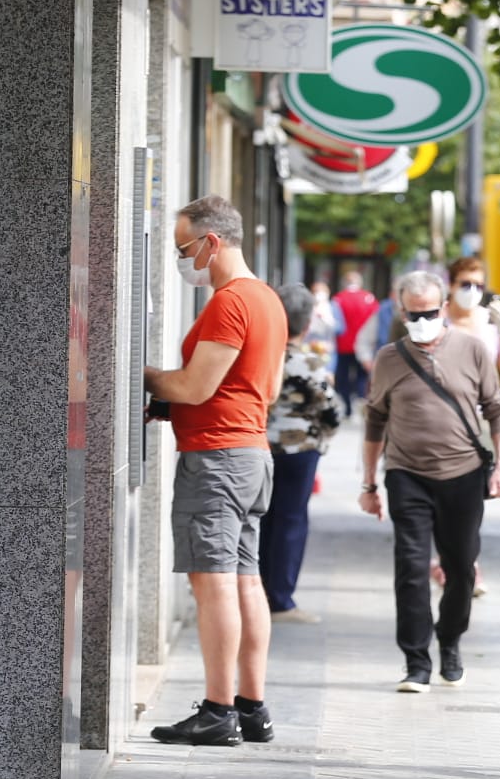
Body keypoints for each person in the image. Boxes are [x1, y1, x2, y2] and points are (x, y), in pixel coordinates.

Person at [143, 195, 289, 747]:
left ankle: (216, 711)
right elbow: (265, 388)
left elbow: (195, 386)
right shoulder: (268, 300)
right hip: (252, 454)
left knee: (214, 585)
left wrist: (145, 377)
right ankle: (252, 707)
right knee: (247, 580)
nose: (183, 259)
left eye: (183, 247)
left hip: (217, 459)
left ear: (212, 242)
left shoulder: (230, 302)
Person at [360, 271, 500, 691]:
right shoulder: (390, 357)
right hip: (406, 475)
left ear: (443, 308)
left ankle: (450, 640)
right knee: (409, 568)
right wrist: (369, 483)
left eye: (429, 311)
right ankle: (415, 660)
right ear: (401, 309)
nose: (422, 319)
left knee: (460, 568)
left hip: (463, 475)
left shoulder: (473, 350)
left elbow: (496, 408)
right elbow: (374, 418)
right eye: (413, 312)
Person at [262, 285, 343, 624]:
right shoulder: (310, 363)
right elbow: (331, 412)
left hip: (260, 446)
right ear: (306, 324)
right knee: (291, 520)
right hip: (300, 452)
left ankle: (256, 590)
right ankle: (280, 599)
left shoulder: (260, 356)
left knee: (261, 518)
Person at [443, 257, 500, 601]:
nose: (471, 291)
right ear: (450, 284)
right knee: (440, 500)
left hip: (477, 425)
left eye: (478, 285)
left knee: (471, 501)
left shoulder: (489, 324)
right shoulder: (437, 320)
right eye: (464, 284)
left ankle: (463, 563)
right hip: (439, 421)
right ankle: (454, 562)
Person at [332, 272, 378, 411]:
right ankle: (360, 402)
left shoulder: (339, 299)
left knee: (343, 376)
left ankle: (347, 405)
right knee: (361, 377)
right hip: (363, 346)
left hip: (343, 345)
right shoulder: (368, 298)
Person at [305, 279, 342, 374]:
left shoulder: (333, 307)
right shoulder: (307, 307)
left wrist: (328, 320)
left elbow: (341, 329)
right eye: (315, 292)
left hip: (328, 351)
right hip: (309, 350)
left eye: (321, 292)